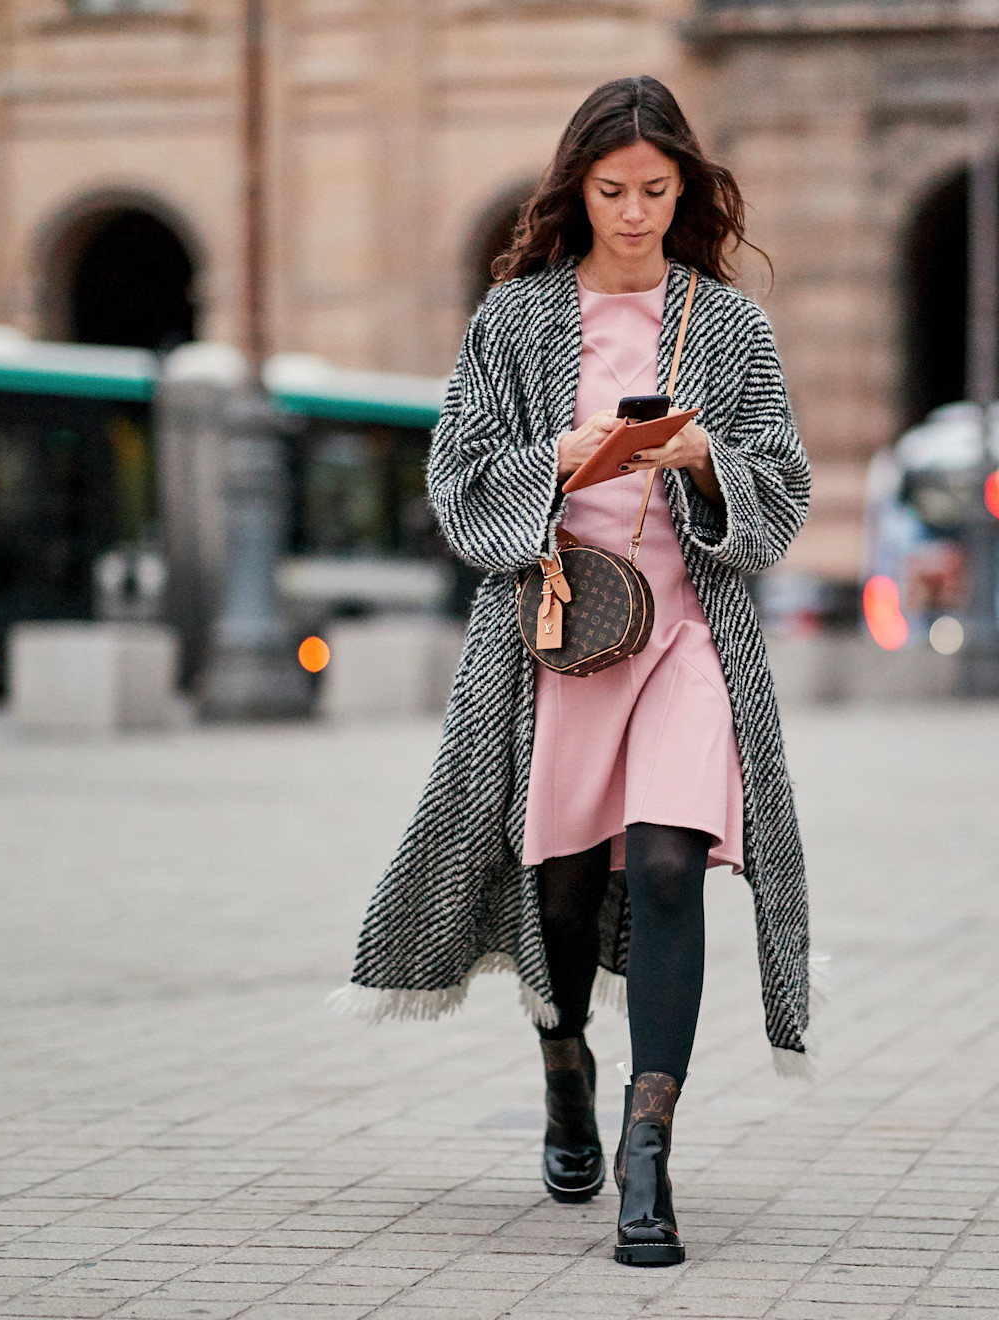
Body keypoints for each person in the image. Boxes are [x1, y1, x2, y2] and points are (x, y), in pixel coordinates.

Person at [330, 76, 815, 1267]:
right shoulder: (513, 320)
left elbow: (784, 487)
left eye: (656, 190)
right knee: (557, 889)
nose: (635, 213)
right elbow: (456, 482)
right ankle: (564, 1069)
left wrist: (703, 460)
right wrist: (560, 457)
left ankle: (649, 1152)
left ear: (686, 191)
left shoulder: (730, 325)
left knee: (670, 866)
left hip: (690, 635)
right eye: (612, 191)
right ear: (576, 191)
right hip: (555, 640)